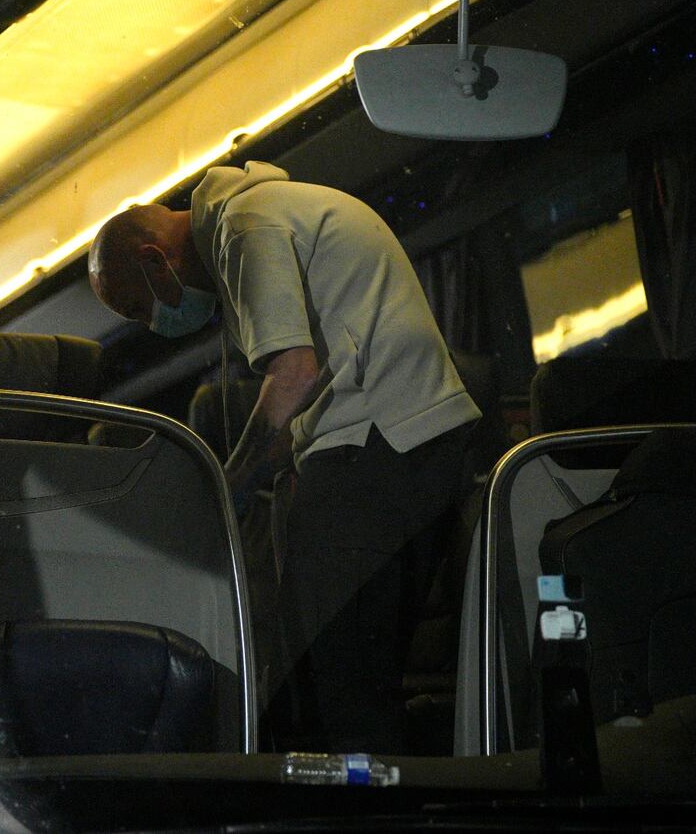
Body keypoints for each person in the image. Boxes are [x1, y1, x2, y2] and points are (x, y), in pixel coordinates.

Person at [87, 161, 480, 753]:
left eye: (137, 307)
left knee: (335, 690)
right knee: (344, 684)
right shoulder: (273, 209)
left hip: (375, 447)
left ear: (153, 261)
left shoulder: (246, 225)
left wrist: (227, 487)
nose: (152, 324)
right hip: (407, 441)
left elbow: (293, 375)